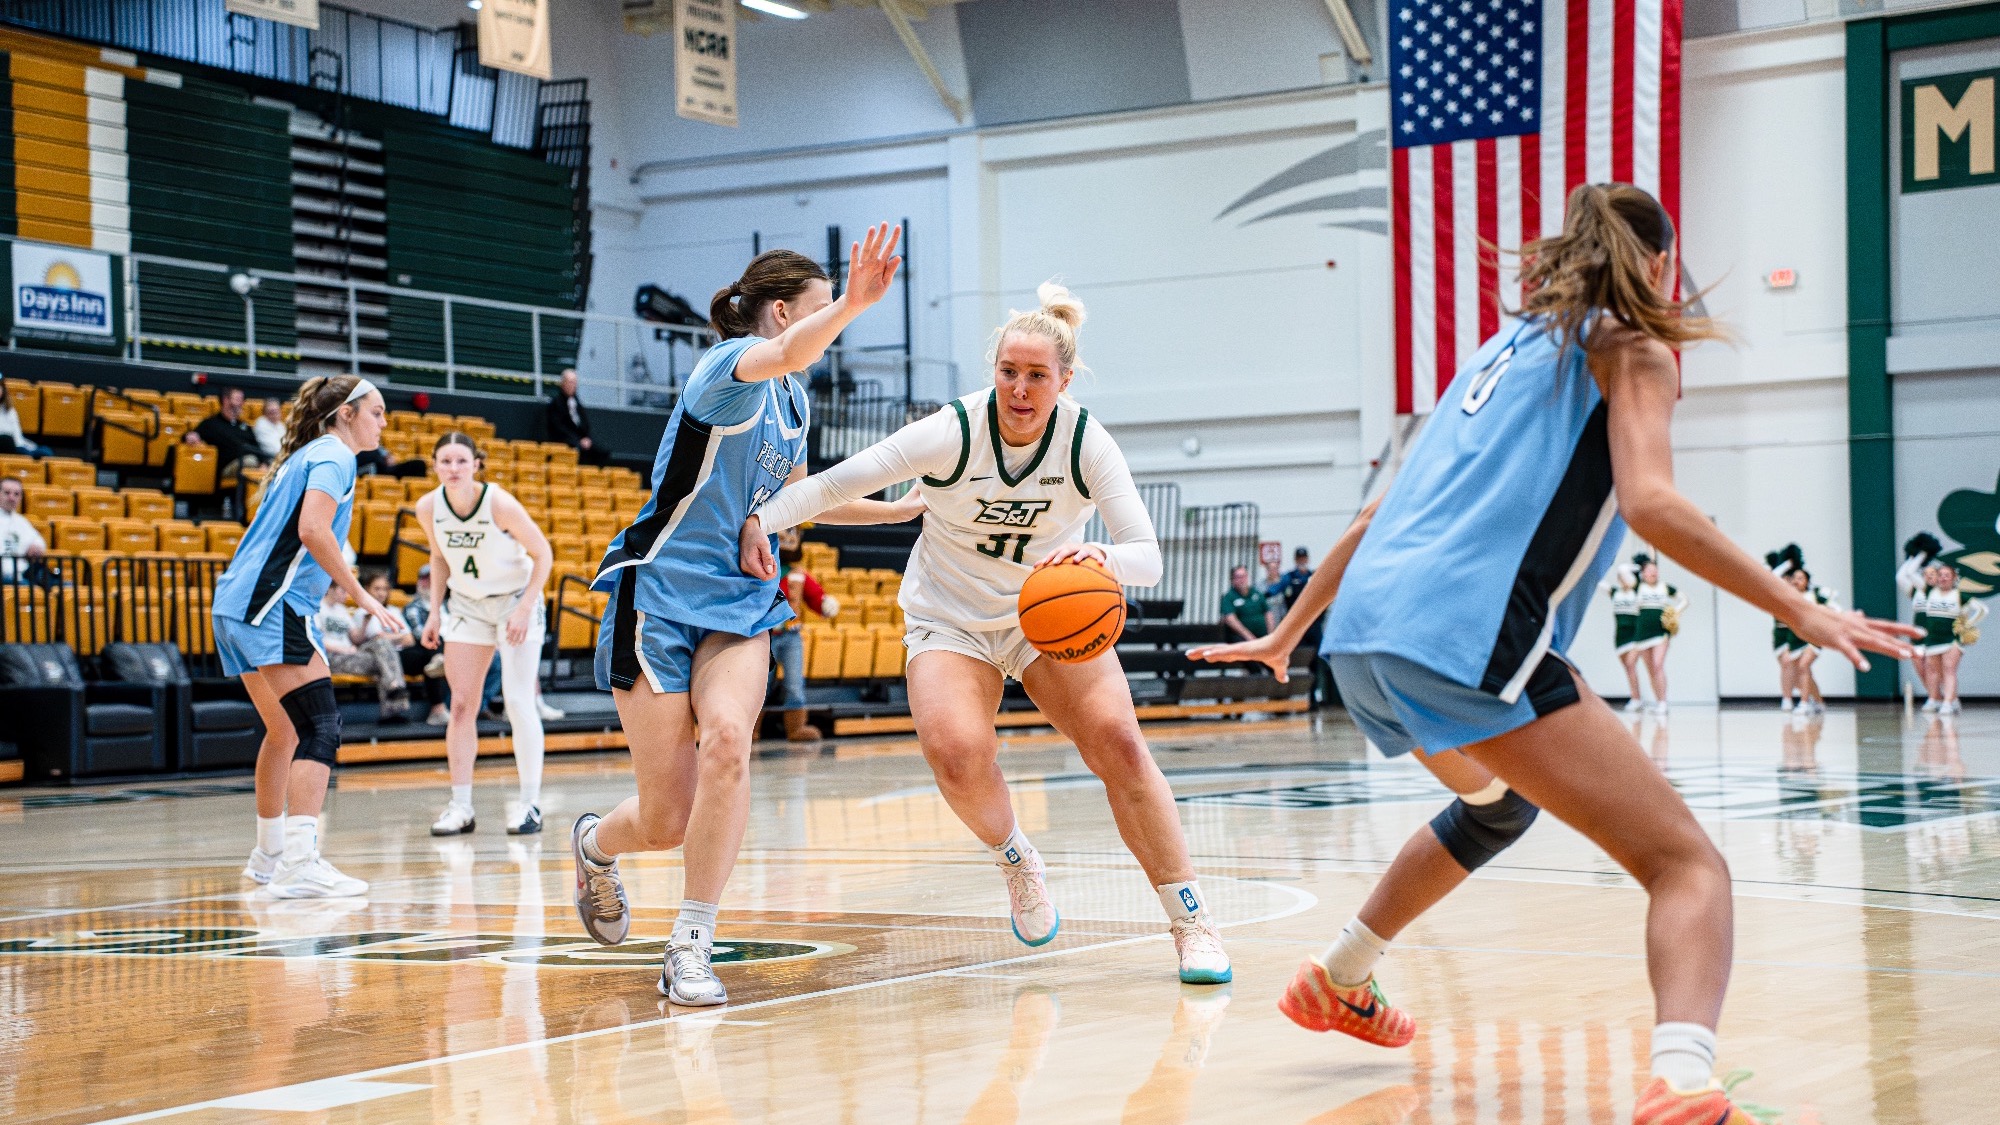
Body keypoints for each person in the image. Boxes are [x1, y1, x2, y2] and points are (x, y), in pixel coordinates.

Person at [1190, 183, 1915, 1124]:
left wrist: (1294, 632)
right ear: (1660, 264)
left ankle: (1341, 977)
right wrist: (1799, 608)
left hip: (1364, 637)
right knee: (1686, 864)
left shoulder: (1497, 352)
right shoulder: (1633, 348)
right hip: (1463, 633)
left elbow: (1377, 513)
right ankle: (1686, 1084)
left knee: (1495, 809)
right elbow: (1651, 503)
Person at [741, 281, 1233, 986]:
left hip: (1046, 618)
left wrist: (1102, 557)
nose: (1021, 388)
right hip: (951, 617)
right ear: (993, 372)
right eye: (1009, 372)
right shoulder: (952, 430)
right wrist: (767, 518)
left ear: (1064, 380)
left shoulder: (1087, 441)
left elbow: (1147, 557)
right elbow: (833, 484)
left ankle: (1191, 921)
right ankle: (1016, 858)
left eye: (1037, 375)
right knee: (955, 753)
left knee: (1122, 745)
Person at [569, 226, 905, 1006]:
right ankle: (593, 845)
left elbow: (800, 495)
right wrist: (856, 301)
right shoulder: (727, 367)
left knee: (728, 742)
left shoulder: (796, 396)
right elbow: (785, 355)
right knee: (664, 818)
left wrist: (903, 510)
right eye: (824, 313)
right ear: (784, 313)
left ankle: (691, 941)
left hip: (741, 602)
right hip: (656, 594)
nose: (834, 330)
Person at [211, 375, 401, 899]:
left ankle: (268, 858)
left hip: (234, 605)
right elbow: (312, 531)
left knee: (284, 731)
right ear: (346, 414)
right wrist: (364, 597)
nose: (384, 422)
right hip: (271, 605)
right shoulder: (336, 456)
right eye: (377, 412)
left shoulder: (305, 456)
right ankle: (299, 862)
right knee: (321, 723)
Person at [417, 432, 555, 836]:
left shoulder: (498, 502)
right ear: (435, 464)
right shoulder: (428, 507)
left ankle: (529, 804)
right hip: (467, 605)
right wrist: (433, 612)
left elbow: (543, 553)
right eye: (445, 461)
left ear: (477, 463)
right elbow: (439, 557)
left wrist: (525, 607)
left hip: (516, 600)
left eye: (461, 461)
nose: (453, 469)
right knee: (461, 705)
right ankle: (460, 807)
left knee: (517, 700)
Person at [770, 527, 840, 742]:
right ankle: (751, 729)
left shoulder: (799, 575)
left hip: (791, 635)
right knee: (759, 684)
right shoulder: (764, 570)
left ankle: (795, 728)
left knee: (794, 683)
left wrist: (824, 604)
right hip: (765, 635)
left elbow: (814, 596)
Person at [318, 575, 412, 722]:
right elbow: (317, 640)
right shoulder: (318, 608)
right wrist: (343, 650)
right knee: (384, 661)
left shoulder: (341, 610)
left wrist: (364, 624)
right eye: (342, 590)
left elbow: (356, 638)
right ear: (330, 589)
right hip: (332, 658)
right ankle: (394, 700)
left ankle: (393, 701)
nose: (346, 594)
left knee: (382, 646)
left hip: (351, 655)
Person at [1912, 562, 1985, 715]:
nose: (1943, 578)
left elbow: (1982, 609)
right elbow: (1909, 575)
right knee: (1933, 671)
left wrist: (1968, 624)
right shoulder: (1928, 591)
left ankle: (1947, 703)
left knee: (1949, 670)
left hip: (1951, 639)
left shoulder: (1958, 595)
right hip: (1932, 639)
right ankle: (1947, 699)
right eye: (1940, 575)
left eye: (1947, 575)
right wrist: (1920, 557)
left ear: (1954, 578)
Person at [1629, 554, 1687, 714]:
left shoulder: (1665, 587)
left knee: (1657, 665)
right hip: (1642, 633)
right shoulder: (1637, 587)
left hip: (1660, 632)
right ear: (1643, 573)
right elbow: (1623, 572)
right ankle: (1658, 701)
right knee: (1650, 670)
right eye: (1649, 570)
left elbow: (1685, 600)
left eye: (1655, 570)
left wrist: (1676, 611)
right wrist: (1637, 566)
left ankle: (1663, 703)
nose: (1653, 573)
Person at [399, 566, 451, 726]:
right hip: (418, 651)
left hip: (448, 649)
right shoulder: (413, 608)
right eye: (424, 579)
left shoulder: (450, 607)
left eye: (431, 580)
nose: (427, 583)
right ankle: (438, 709)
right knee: (433, 647)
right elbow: (419, 635)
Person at [187, 386, 265, 474]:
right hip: (227, 467)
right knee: (250, 461)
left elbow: (256, 447)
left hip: (250, 465)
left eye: (242, 400)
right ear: (226, 400)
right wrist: (190, 436)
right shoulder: (211, 424)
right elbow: (191, 436)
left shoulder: (245, 426)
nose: (242, 403)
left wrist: (263, 463)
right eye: (238, 399)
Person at [546, 368, 612, 467]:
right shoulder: (556, 403)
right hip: (565, 439)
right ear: (563, 383)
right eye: (570, 382)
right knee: (577, 449)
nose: (573, 386)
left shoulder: (577, 403)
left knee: (603, 451)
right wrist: (578, 440)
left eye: (574, 383)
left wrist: (587, 438)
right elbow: (558, 427)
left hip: (581, 439)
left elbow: (585, 424)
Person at [1607, 563, 1648, 710]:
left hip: (1635, 635)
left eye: (1625, 577)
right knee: (1628, 668)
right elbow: (1598, 584)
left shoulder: (1637, 591)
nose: (1622, 579)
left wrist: (1635, 567)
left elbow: (1629, 572)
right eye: (1620, 577)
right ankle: (1636, 697)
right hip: (1620, 636)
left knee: (1631, 664)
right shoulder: (1615, 593)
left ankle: (1636, 699)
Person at [0, 477, 47, 583]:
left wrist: (36, 547)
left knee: (66, 586)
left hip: (23, 575)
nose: (12, 498)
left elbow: (39, 542)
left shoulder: (22, 521)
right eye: (7, 493)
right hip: (5, 577)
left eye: (16, 494)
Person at [0, 379, 51, 458]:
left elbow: (18, 436)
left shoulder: (10, 410)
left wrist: (28, 447)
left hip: (16, 445)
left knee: (45, 451)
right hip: (5, 446)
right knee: (7, 440)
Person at [1219, 565, 1270, 640]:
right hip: (1241, 640)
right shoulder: (1229, 597)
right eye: (1239, 577)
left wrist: (1270, 636)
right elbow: (1230, 619)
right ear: (1233, 579)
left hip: (1263, 638)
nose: (1242, 580)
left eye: (1244, 576)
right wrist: (1249, 637)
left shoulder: (1257, 593)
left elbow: (1268, 613)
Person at [253, 396, 285, 462]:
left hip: (283, 457)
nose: (275, 415)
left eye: (277, 411)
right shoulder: (261, 423)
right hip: (269, 459)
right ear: (265, 412)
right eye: (272, 412)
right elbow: (272, 449)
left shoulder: (281, 425)